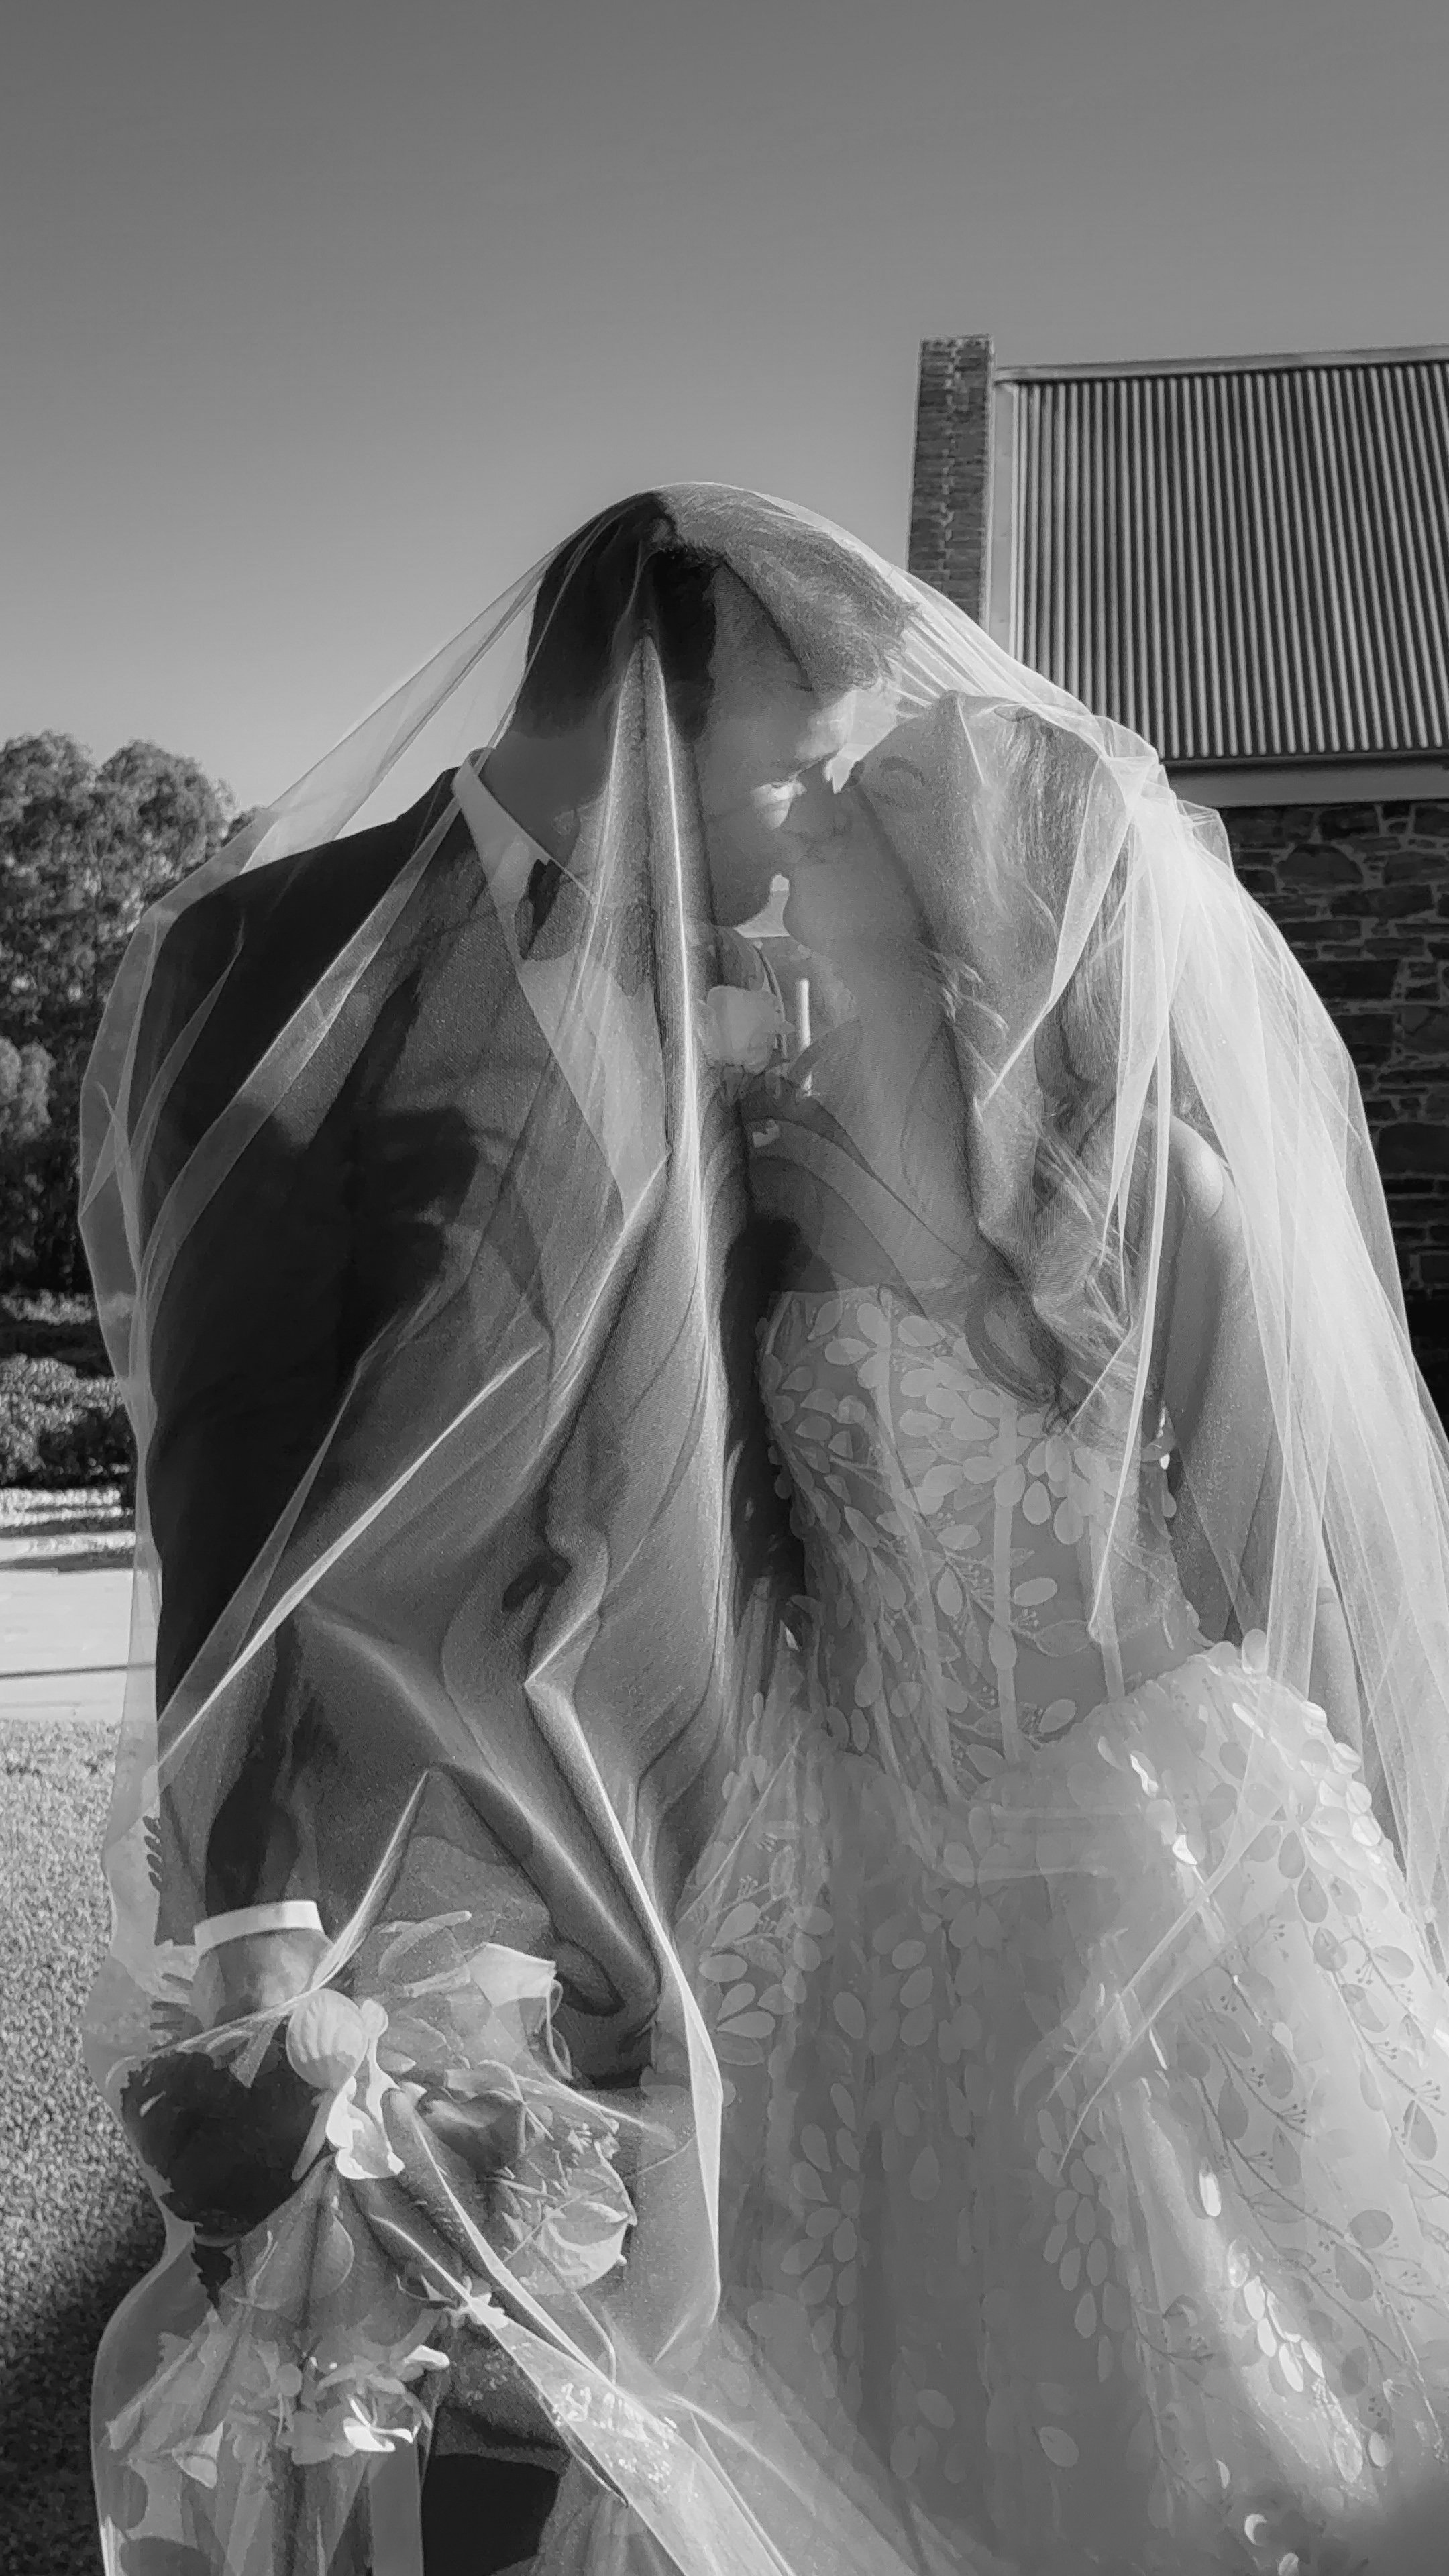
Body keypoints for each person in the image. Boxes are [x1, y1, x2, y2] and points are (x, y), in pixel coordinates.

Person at [80, 487, 1449, 2576]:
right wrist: (265, 1937)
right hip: (428, 1882)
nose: (806, 814)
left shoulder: (750, 1040)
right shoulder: (269, 960)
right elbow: (236, 1474)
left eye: (838, 799)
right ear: (654, 700)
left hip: (744, 1893)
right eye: (788, 769)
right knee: (391, 2458)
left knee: (714, 2427)